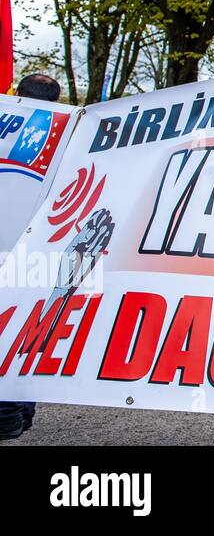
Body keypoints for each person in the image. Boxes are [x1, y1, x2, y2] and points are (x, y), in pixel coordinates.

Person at [0, 73, 64, 440]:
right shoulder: (70, 131)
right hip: (41, 250)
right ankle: (17, 411)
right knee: (26, 328)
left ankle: (10, 411)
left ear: (17, 94)